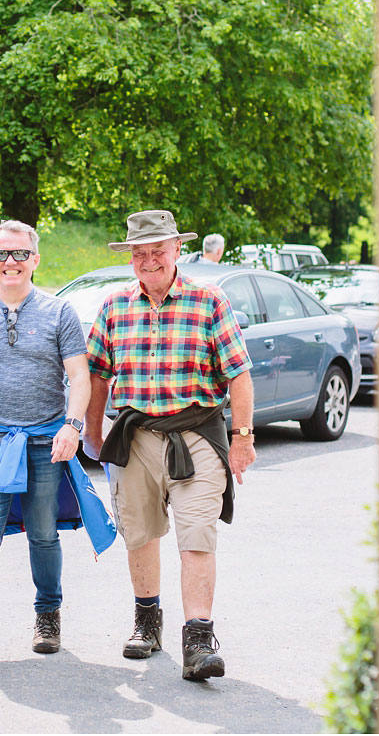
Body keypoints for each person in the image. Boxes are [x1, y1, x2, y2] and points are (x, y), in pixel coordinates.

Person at [84, 209, 255, 683]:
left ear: (178, 249)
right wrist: (93, 433)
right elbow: (98, 375)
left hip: (197, 434)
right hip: (135, 435)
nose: (148, 261)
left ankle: (198, 640)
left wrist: (242, 438)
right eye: (139, 253)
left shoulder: (208, 301)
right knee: (138, 533)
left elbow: (238, 374)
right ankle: (147, 623)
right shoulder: (115, 306)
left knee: (197, 532)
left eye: (157, 251)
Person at [0, 219, 94, 663]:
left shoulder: (58, 312)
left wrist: (73, 425)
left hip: (46, 442)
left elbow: (79, 376)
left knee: (43, 535)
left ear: (35, 260)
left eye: (20, 254)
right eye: (2, 254)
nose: (11, 262)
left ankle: (48, 614)